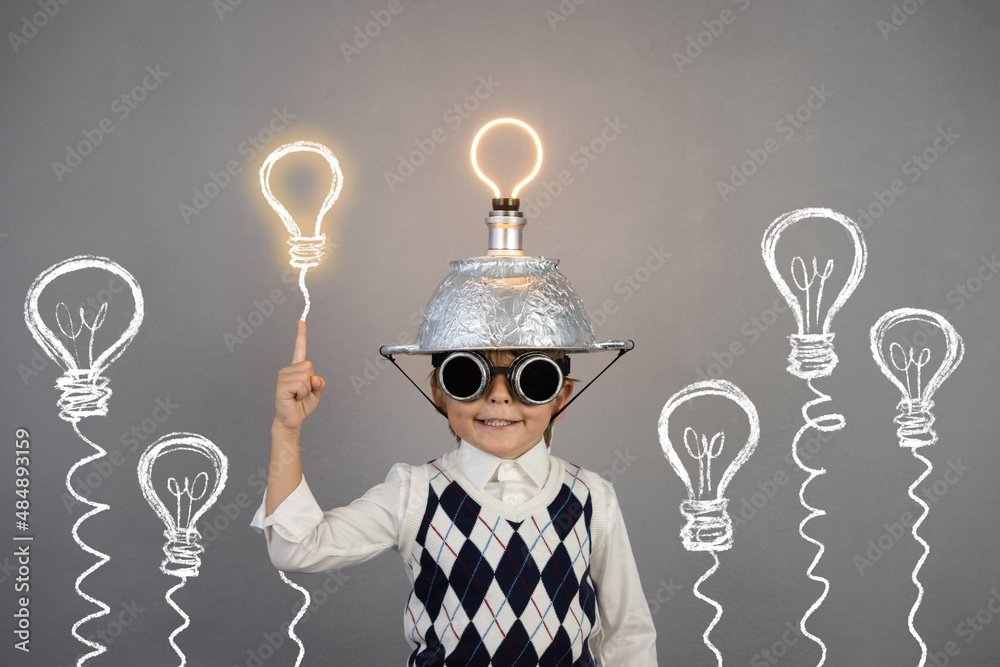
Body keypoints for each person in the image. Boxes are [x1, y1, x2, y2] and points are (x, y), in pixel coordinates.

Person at [252, 320, 658, 665]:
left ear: (561, 397)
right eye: (468, 377)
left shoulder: (590, 496)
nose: (500, 395)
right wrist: (286, 432)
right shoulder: (416, 492)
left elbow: (628, 633)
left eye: (532, 378)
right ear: (439, 393)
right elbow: (296, 549)